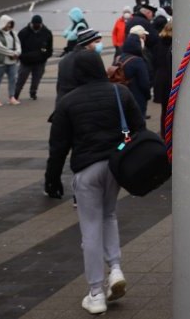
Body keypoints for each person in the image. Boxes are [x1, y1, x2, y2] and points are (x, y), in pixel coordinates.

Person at [45, 49, 141, 314]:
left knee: (90, 229)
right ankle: (116, 269)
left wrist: (52, 179)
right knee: (109, 215)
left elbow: (58, 147)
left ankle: (96, 293)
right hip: (115, 167)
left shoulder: (68, 101)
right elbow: (139, 128)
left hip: (87, 170)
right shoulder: (120, 93)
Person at [15, 14, 53, 102]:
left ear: (41, 24)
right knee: (21, 79)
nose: (36, 26)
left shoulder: (47, 33)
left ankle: (33, 92)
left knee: (36, 79)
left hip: (40, 62)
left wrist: (45, 56)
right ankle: (16, 94)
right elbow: (17, 46)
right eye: (35, 24)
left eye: (38, 24)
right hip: (26, 62)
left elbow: (49, 48)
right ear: (31, 23)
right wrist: (22, 57)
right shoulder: (23, 33)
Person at [115, 27, 153, 118]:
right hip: (137, 98)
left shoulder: (119, 58)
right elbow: (144, 83)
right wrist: (147, 96)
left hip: (121, 96)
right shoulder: (138, 61)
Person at [0, 14, 21, 107]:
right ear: (3, 23)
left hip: (12, 61)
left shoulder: (12, 33)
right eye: (8, 24)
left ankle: (12, 97)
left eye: (11, 24)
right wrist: (11, 53)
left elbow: (18, 43)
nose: (9, 26)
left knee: (13, 79)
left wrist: (17, 52)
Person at [149, 20, 173, 133]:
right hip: (170, 78)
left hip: (160, 78)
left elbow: (154, 61)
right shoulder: (175, 45)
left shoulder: (158, 42)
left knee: (164, 109)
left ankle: (164, 132)